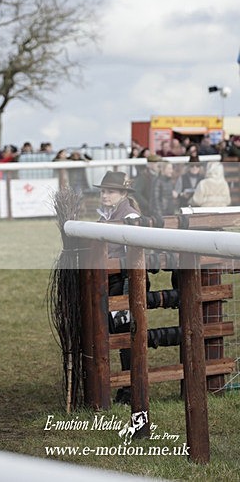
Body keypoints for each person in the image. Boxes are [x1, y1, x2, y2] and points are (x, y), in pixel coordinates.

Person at [95, 171, 141, 404]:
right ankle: (126, 385)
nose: (105, 195)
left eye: (110, 191)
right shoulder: (107, 215)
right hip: (112, 278)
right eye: (103, 191)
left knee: (124, 334)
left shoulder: (129, 215)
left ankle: (129, 388)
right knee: (118, 331)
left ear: (123, 194)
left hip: (124, 280)